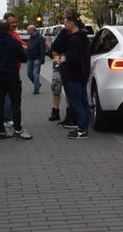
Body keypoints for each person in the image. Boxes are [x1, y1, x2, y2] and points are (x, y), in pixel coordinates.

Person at [0, 18, 31, 140]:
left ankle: (2, 131)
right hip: (12, 75)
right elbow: (24, 59)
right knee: (15, 103)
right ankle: (18, 130)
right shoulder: (14, 42)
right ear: (9, 29)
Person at [52, 11, 91, 139]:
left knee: (76, 102)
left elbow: (73, 59)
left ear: (71, 23)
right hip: (83, 73)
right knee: (84, 101)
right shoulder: (84, 38)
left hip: (74, 74)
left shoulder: (73, 40)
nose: (64, 27)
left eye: (66, 24)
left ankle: (81, 129)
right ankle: (84, 127)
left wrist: (63, 62)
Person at [26, 25, 46, 94]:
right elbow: (30, 46)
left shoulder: (40, 38)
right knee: (29, 73)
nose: (27, 31)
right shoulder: (31, 36)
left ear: (33, 30)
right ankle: (37, 84)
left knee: (35, 73)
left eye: (28, 30)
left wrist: (42, 59)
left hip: (37, 58)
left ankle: (36, 89)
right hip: (30, 58)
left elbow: (42, 49)